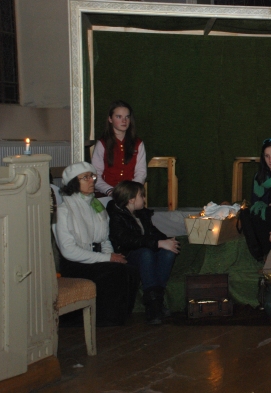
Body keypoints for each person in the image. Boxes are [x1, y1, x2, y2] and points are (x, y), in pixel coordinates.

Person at [55, 162, 139, 326]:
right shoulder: (64, 211)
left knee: (130, 270)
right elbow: (68, 251)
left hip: (97, 257)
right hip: (75, 263)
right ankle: (98, 319)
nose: (91, 181)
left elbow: (104, 239)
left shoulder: (96, 206)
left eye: (92, 176)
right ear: (73, 182)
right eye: (85, 177)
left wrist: (109, 256)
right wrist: (107, 258)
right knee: (114, 272)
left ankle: (119, 318)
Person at [107, 181, 180, 325]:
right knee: (146, 254)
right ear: (131, 199)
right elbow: (126, 240)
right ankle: (153, 306)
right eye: (142, 196)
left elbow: (153, 233)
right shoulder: (116, 214)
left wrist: (168, 241)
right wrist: (158, 243)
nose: (145, 199)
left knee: (168, 253)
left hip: (145, 250)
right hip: (127, 254)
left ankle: (156, 301)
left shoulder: (141, 214)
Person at [92, 101, 146, 196]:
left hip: (130, 195)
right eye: (119, 117)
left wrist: (130, 191)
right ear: (110, 119)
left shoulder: (138, 143)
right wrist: (110, 191)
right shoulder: (102, 143)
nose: (124, 121)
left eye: (127, 117)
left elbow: (141, 172)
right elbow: (96, 175)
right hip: (106, 194)